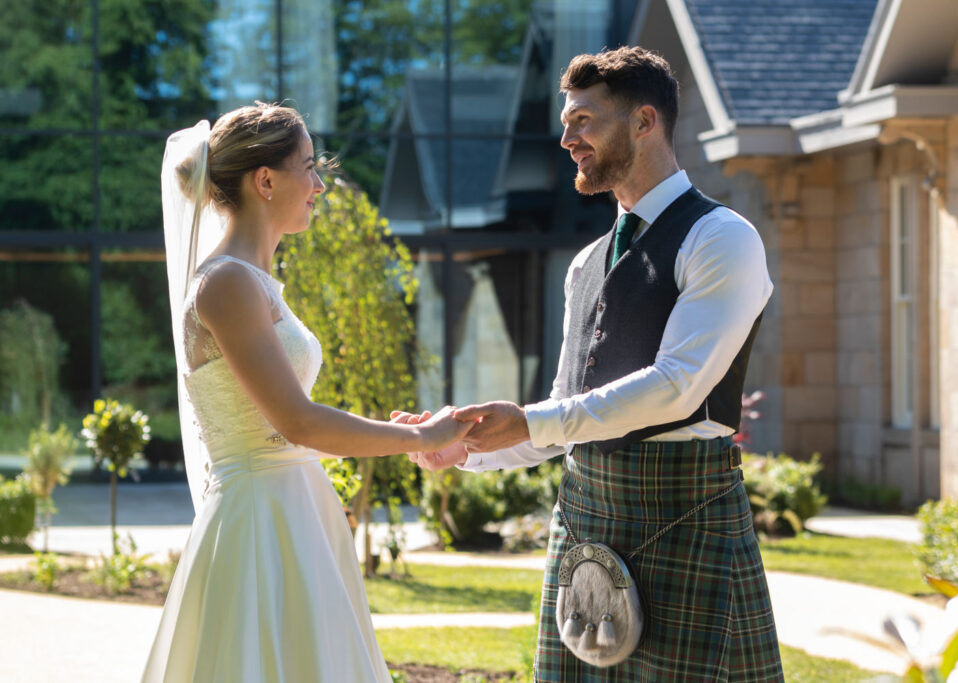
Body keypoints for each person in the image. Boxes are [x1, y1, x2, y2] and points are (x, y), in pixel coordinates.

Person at [397, 47, 783, 681]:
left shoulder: (723, 237)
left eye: (583, 120)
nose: (566, 138)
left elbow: (677, 388)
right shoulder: (584, 264)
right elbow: (565, 417)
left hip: (684, 516)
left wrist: (527, 421)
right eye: (566, 121)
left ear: (644, 121)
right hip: (585, 523)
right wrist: (467, 451)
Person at [144, 102, 472, 682]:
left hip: (297, 511)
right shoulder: (225, 284)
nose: (320, 184)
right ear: (265, 181)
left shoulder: (254, 282)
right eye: (309, 167)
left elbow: (286, 427)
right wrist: (419, 435)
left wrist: (405, 434)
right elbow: (297, 422)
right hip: (258, 527)